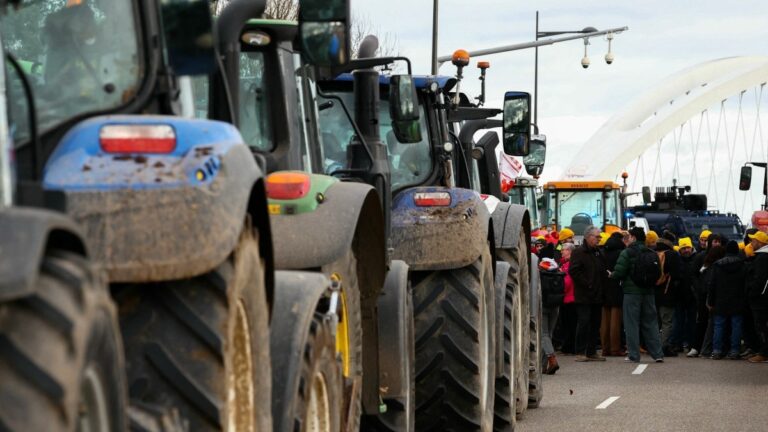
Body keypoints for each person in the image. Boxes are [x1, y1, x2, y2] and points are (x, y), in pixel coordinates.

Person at [609, 227, 664, 363]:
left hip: (631, 292)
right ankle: (658, 354)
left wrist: (612, 275)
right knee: (651, 322)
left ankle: (634, 355)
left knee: (631, 324)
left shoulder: (627, 252)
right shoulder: (651, 252)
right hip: (649, 292)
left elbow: (619, 272)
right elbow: (658, 272)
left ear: (633, 237)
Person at [569, 226, 606, 362]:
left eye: (599, 237)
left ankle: (591, 351)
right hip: (584, 295)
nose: (599, 239)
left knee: (595, 323)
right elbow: (574, 271)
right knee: (584, 322)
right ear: (588, 237)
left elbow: (601, 269)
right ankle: (580, 351)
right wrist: (587, 283)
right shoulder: (579, 252)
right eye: (597, 237)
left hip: (597, 294)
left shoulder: (598, 252)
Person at [707, 241, 747, 360]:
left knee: (719, 325)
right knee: (736, 326)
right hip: (738, 300)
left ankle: (717, 351)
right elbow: (745, 284)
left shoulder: (717, 265)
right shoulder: (743, 265)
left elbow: (712, 284)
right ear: (737, 251)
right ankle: (735, 351)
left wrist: (710, 301)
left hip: (720, 300)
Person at [697, 244, 726, 357]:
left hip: (706, 298)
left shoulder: (705, 266)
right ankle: (708, 349)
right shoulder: (716, 267)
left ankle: (705, 349)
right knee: (713, 325)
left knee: (711, 324)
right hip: (713, 298)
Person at [655, 231, 681, 356]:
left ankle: (653, 345)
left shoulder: (653, 252)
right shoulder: (672, 255)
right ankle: (663, 346)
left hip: (652, 293)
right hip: (667, 292)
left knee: (655, 322)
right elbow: (677, 274)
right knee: (667, 322)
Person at [601, 232, 626, 356]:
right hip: (616, 288)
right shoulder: (621, 253)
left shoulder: (602, 252)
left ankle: (605, 348)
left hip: (604, 288)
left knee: (605, 320)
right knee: (615, 321)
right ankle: (615, 348)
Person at [673, 237, 698, 356]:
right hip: (679, 296)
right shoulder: (677, 260)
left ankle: (691, 343)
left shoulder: (697, 259)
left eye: (687, 247)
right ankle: (679, 344)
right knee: (679, 321)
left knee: (692, 322)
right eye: (683, 248)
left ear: (691, 247)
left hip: (692, 296)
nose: (686, 250)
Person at [746, 231, 768, 363]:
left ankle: (764, 353)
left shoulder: (762, 258)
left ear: (760, 243)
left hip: (760, 299)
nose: (751, 243)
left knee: (761, 326)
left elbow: (759, 279)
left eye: (753, 240)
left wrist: (752, 293)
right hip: (763, 296)